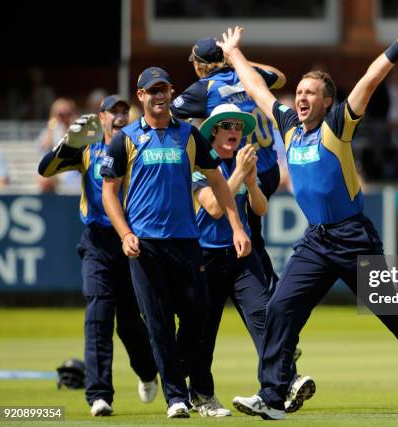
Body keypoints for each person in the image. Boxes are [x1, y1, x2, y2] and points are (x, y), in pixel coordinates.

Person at [218, 5, 398, 420]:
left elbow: (369, 79)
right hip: (317, 239)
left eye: (310, 92)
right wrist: (234, 55)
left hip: (354, 237)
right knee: (280, 309)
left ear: (327, 100)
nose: (300, 96)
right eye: (298, 91)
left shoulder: (337, 124)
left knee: (395, 318)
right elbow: (259, 92)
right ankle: (274, 398)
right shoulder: (288, 127)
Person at [100, 67, 251, 418]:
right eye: (153, 90)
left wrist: (237, 227)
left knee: (199, 318)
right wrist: (125, 234)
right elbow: (109, 193)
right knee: (159, 324)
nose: (160, 96)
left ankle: (190, 387)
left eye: (165, 89)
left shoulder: (189, 135)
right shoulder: (124, 139)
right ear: (141, 96)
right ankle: (177, 398)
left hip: (186, 242)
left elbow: (217, 181)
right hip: (145, 245)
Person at [188, 104, 313, 417]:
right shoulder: (199, 164)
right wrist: (241, 174)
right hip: (205, 256)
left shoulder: (241, 163)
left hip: (240, 255)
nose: (235, 132)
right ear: (213, 131)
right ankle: (201, 395)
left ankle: (283, 382)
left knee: (266, 316)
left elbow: (260, 209)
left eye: (239, 127)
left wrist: (253, 182)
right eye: (227, 126)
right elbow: (214, 208)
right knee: (204, 330)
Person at [37, 95, 159, 416]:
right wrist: (68, 144)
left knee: (131, 325)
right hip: (97, 243)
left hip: (132, 242)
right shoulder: (87, 148)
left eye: (124, 111)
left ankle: (148, 372)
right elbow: (45, 169)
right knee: (98, 316)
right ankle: (99, 395)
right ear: (101, 117)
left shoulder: (138, 144)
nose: (119, 116)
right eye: (113, 112)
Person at [171, 37, 286, 289]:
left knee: (246, 238)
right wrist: (236, 57)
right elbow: (280, 77)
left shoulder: (204, 87)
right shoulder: (247, 74)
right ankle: (261, 290)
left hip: (242, 169)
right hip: (268, 168)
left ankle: (266, 292)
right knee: (251, 234)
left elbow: (168, 114)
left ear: (200, 66)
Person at [37, 98, 80, 193]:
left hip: (75, 173)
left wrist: (73, 124)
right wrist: (52, 123)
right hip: (56, 174)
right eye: (61, 114)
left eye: (68, 114)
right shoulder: (51, 131)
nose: (64, 117)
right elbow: (44, 147)